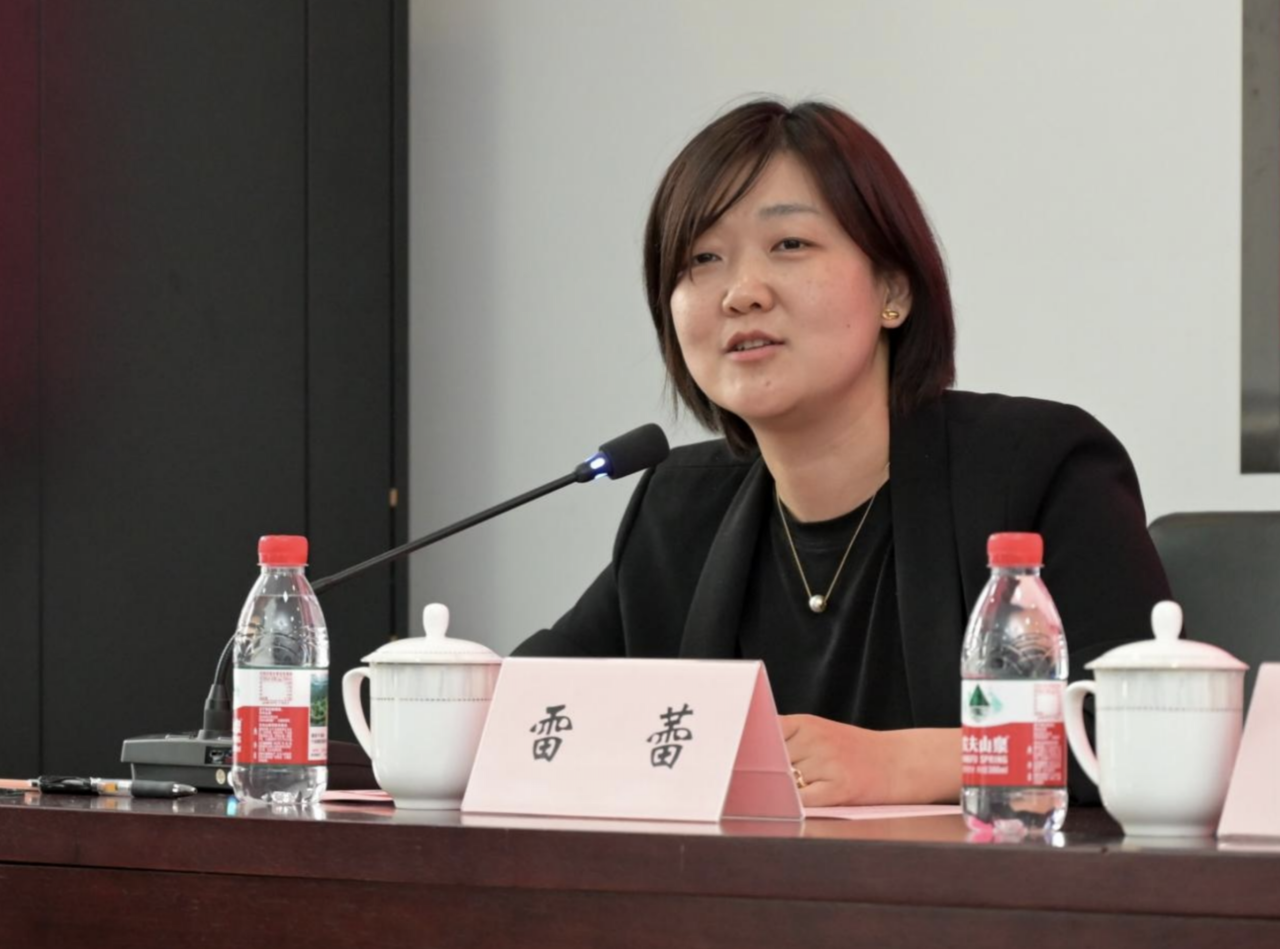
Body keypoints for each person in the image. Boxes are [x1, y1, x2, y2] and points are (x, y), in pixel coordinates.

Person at [513, 98, 1170, 807]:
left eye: (789, 244)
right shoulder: (677, 513)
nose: (741, 293)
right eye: (702, 259)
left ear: (893, 288)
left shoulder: (1036, 470)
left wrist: (904, 764)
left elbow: (1145, 732)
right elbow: (529, 715)